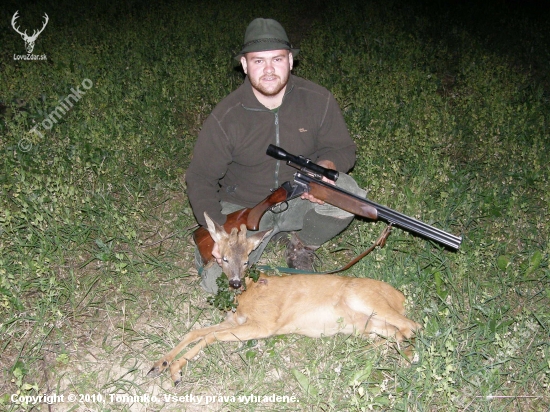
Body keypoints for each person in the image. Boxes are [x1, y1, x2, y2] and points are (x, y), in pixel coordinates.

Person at [186, 18, 366, 293]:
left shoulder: (318, 100)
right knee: (219, 288)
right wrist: (219, 230)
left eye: (277, 59)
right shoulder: (226, 116)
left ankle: (302, 244)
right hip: (244, 207)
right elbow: (200, 178)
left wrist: (324, 167)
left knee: (350, 195)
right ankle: (260, 239)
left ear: (290, 62)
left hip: (298, 197)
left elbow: (343, 149)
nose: (269, 70)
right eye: (258, 61)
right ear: (244, 65)